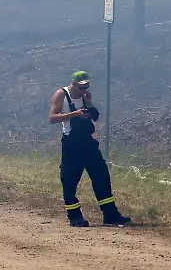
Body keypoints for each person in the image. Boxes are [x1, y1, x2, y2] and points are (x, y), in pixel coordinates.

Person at [48, 71, 132, 227]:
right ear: (73, 84)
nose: (84, 89)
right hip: (71, 144)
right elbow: (52, 118)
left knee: (101, 176)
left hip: (88, 142)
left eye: (87, 86)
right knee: (69, 180)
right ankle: (74, 217)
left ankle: (110, 214)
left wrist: (89, 103)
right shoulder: (62, 94)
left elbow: (95, 117)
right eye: (81, 86)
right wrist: (75, 114)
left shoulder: (86, 96)